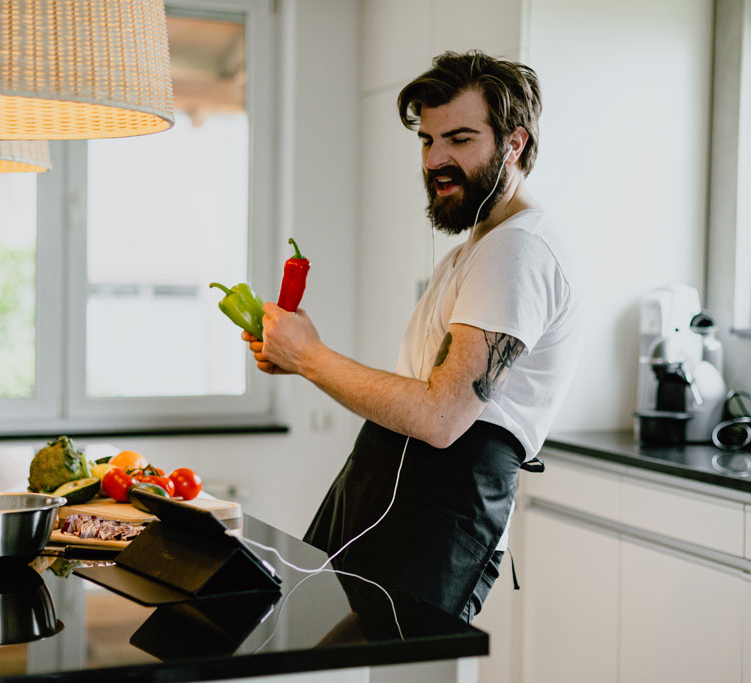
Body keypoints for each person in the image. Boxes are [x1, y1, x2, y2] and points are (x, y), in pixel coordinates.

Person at [243, 50, 581, 623]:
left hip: (439, 512)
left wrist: (310, 357)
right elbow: (422, 396)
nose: (437, 160)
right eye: (427, 141)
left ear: (514, 143)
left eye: (461, 139)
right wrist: (302, 355)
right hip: (385, 483)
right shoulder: (472, 251)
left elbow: (440, 419)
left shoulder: (519, 250)